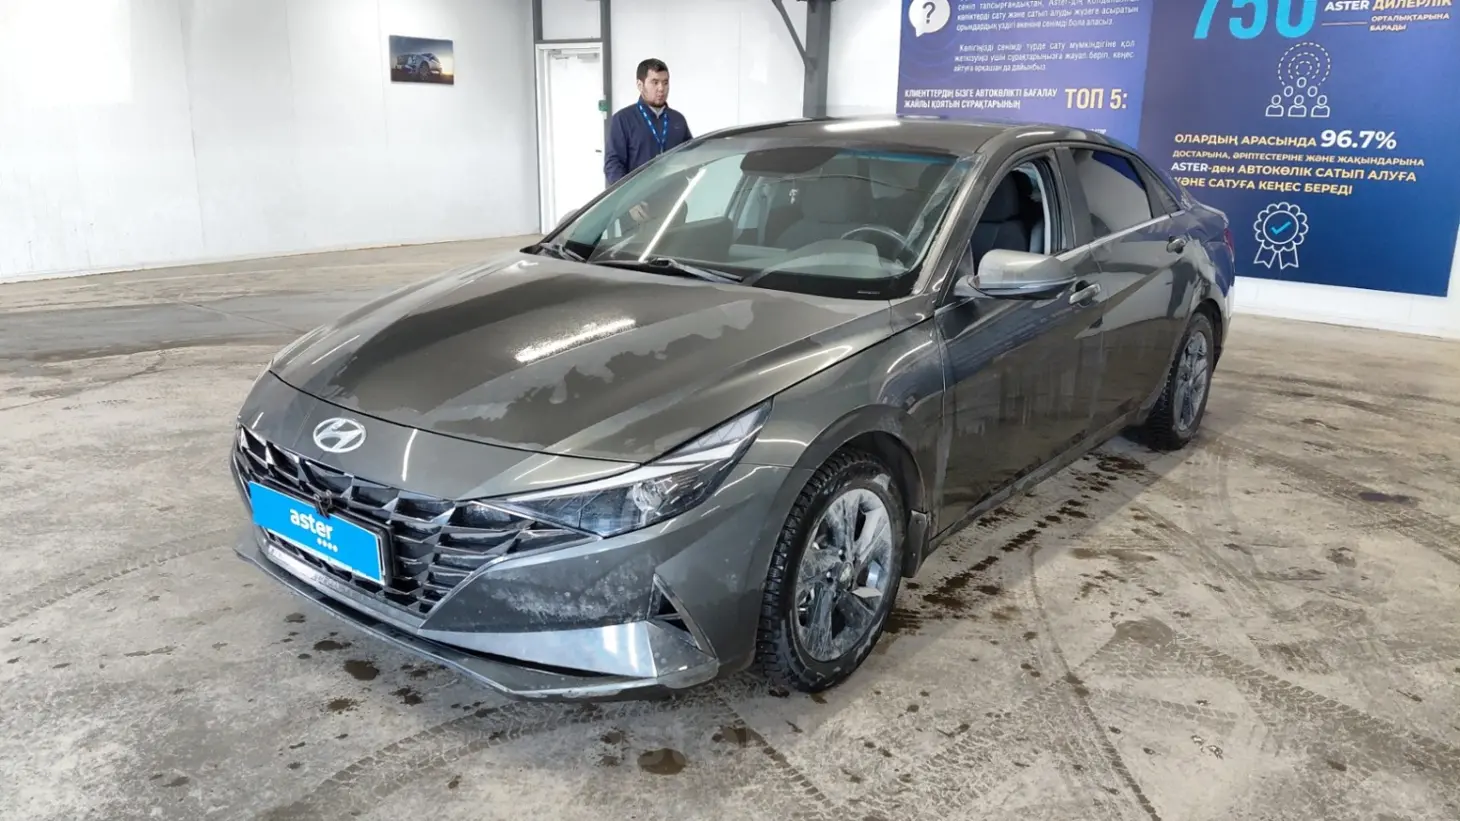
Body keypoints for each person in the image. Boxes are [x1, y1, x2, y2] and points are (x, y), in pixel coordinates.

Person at [604, 58, 693, 187]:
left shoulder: (677, 119)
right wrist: (628, 196)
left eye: (665, 82)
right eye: (655, 82)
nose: (661, 88)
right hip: (638, 196)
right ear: (640, 85)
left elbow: (690, 156)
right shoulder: (623, 119)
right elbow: (613, 165)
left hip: (673, 194)